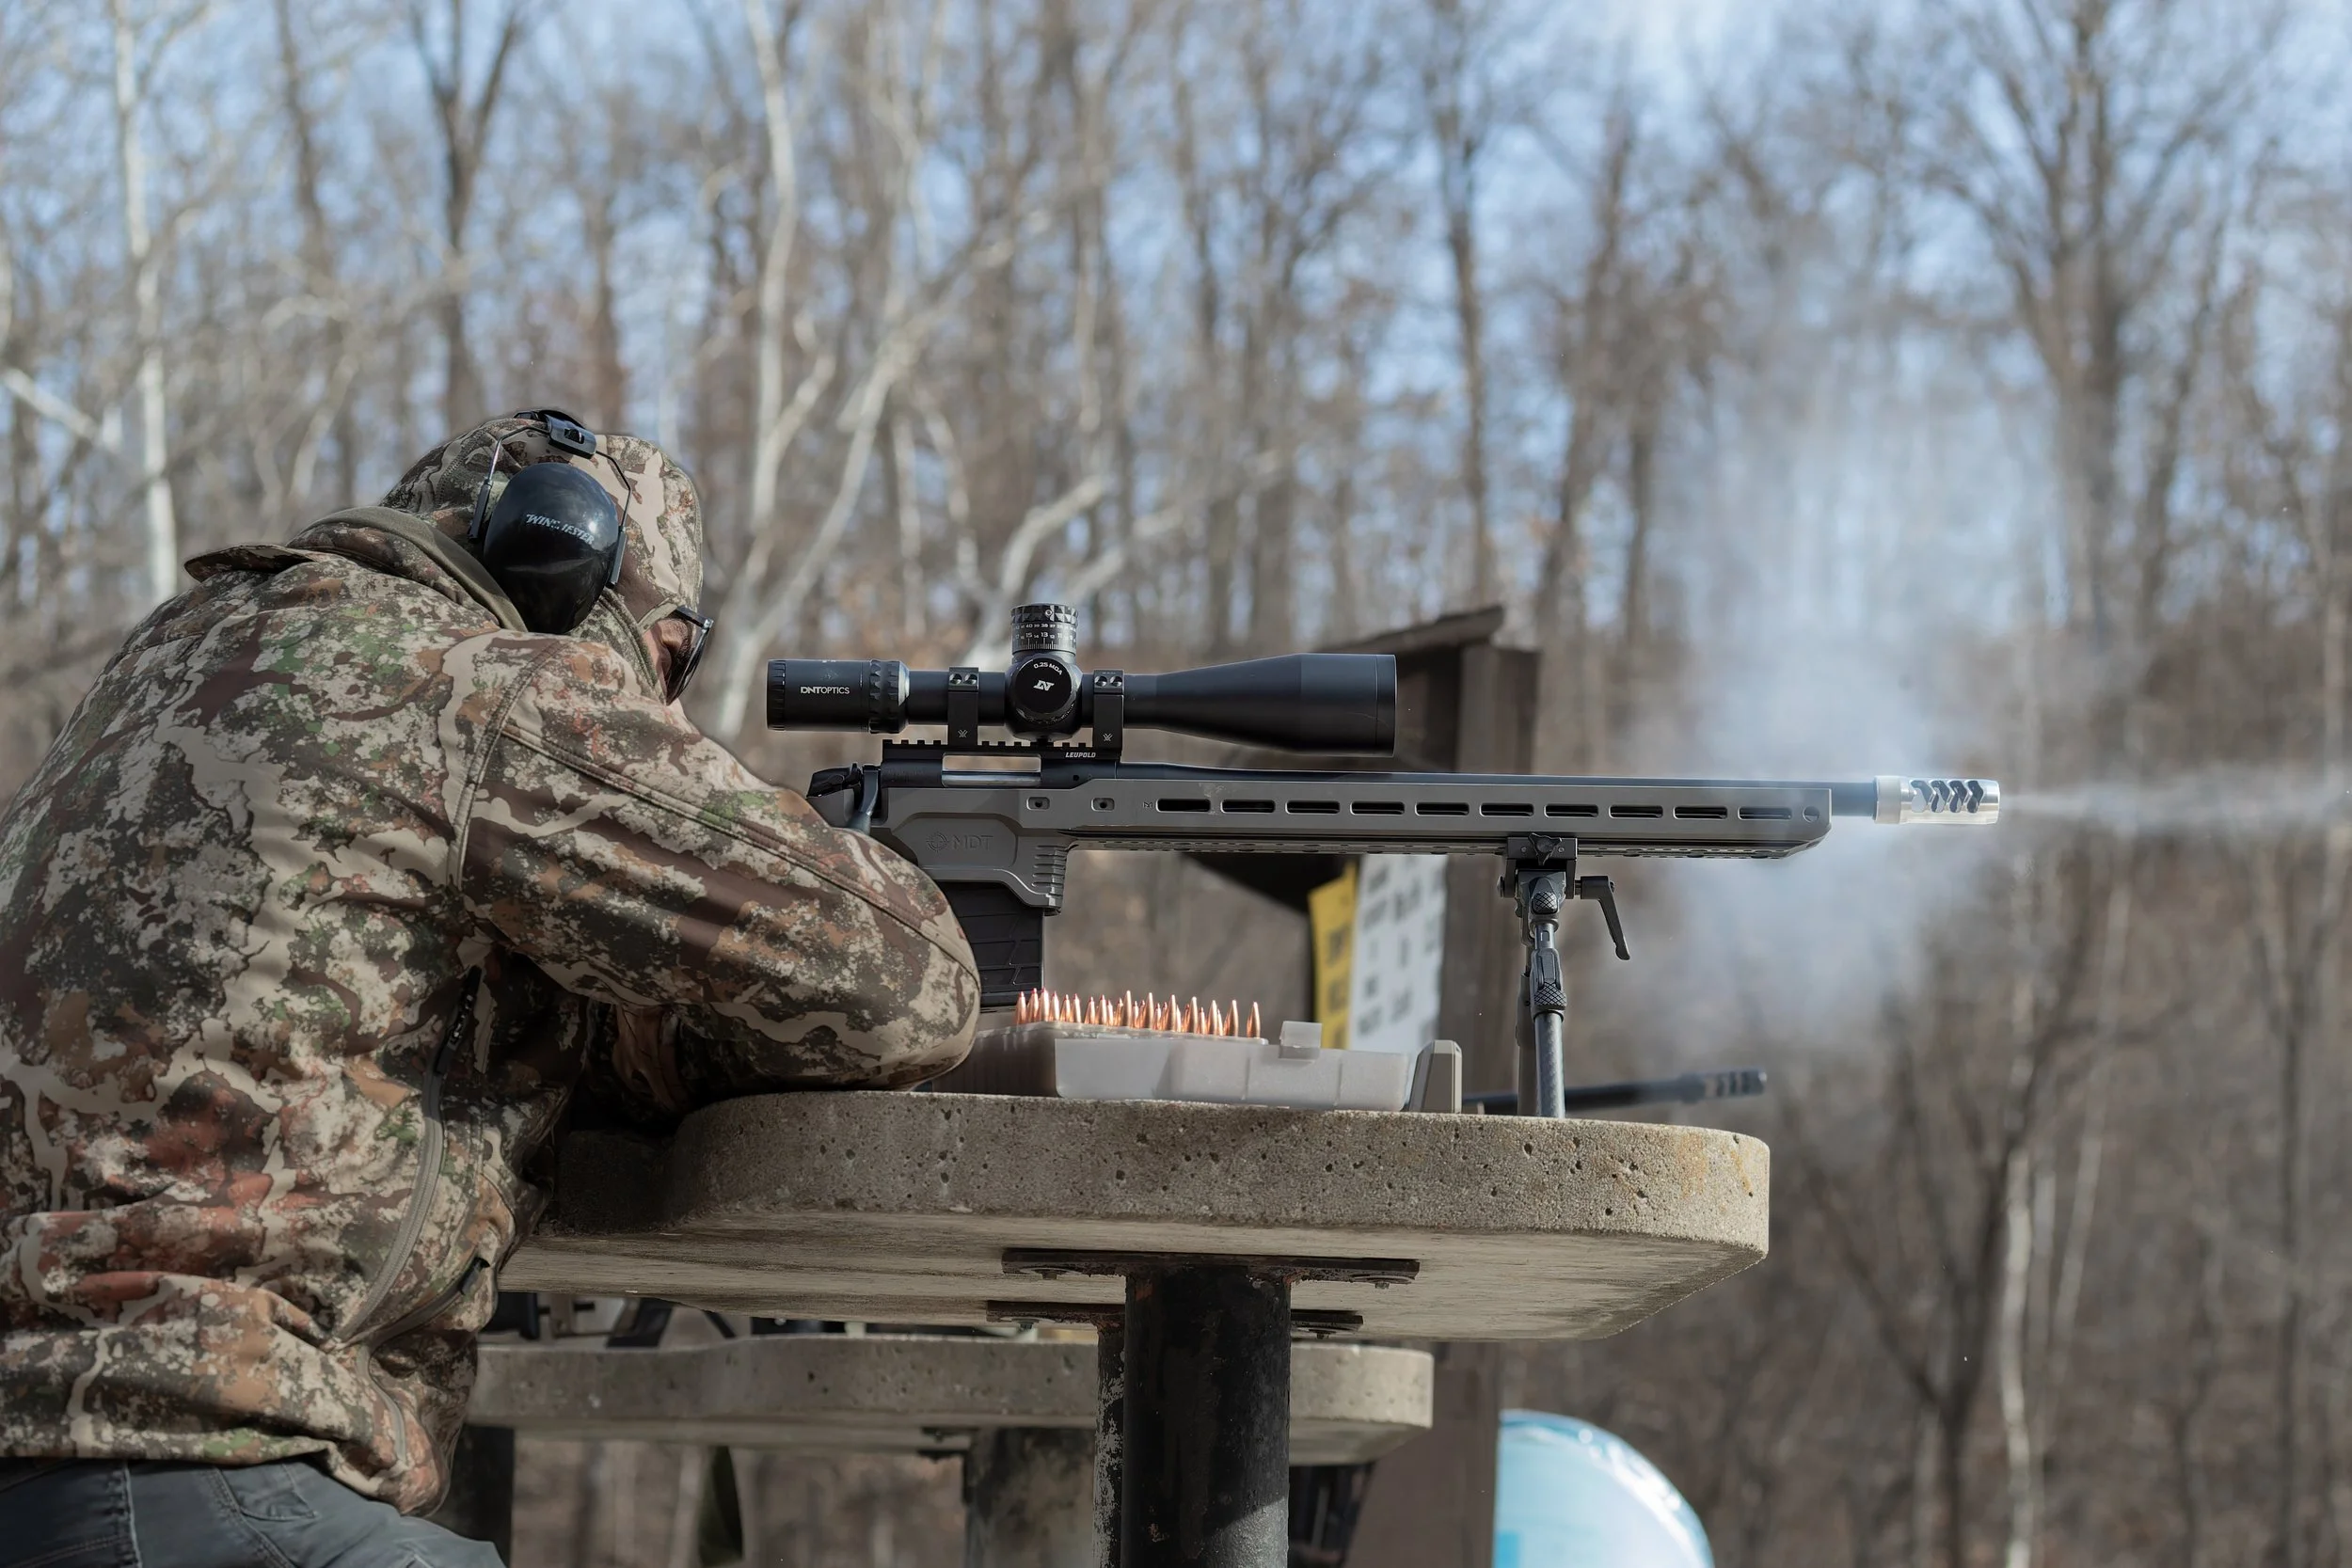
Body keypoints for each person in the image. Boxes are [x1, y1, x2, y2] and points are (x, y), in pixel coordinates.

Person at [0, 412, 978, 1566]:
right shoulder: (478, 686)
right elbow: (904, 981)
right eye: (666, 658)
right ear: (579, 581)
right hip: (199, 1464)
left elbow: (360, 997)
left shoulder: (171, 659)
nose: (657, 707)